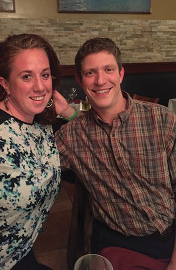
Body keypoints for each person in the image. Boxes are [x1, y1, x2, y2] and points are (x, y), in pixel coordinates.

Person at [0, 33, 74, 270]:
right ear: (5, 83)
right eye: (27, 76)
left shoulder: (43, 122)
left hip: (18, 255)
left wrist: (69, 112)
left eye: (45, 75)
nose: (40, 86)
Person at [55, 37, 176, 270]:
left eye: (108, 69)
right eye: (90, 73)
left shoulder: (162, 119)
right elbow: (31, 162)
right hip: (119, 244)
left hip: (171, 236)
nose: (101, 80)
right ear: (80, 80)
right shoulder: (71, 137)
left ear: (120, 74)